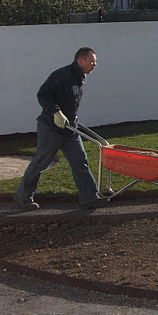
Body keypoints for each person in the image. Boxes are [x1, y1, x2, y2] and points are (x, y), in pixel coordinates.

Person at [13, 48, 103, 210]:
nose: (94, 64)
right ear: (80, 60)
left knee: (79, 161)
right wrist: (56, 112)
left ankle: (89, 197)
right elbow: (43, 94)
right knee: (41, 162)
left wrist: (71, 118)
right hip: (50, 128)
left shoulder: (79, 77)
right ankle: (23, 197)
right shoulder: (63, 75)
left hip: (69, 129)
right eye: (92, 61)